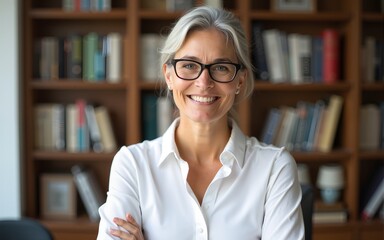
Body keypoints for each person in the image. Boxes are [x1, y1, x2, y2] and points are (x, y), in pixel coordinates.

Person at [97, 6, 304, 240]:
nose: (204, 82)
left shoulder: (275, 168)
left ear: (240, 81)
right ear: (169, 76)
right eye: (189, 65)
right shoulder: (133, 165)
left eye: (221, 68)